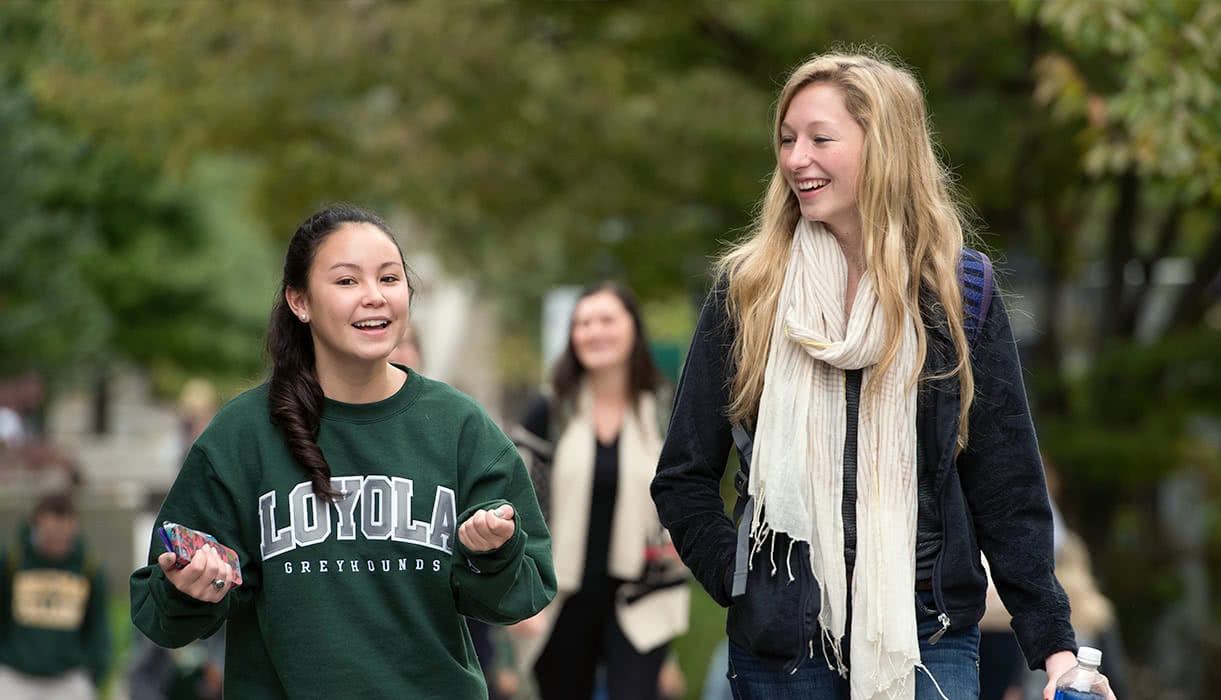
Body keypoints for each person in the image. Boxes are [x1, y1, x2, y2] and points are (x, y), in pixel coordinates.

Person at [650, 50, 1117, 700]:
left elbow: (1007, 493)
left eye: (819, 138)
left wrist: (1058, 652)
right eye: (786, 139)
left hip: (927, 646)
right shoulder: (749, 291)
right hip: (781, 652)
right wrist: (745, 586)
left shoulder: (960, 295)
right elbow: (682, 477)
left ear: (884, 146)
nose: (794, 159)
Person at [129, 204, 556, 699]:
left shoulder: (460, 427)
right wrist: (189, 591)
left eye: (390, 278)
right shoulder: (241, 435)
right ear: (299, 300)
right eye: (347, 281)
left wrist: (491, 554)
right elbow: (161, 617)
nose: (374, 297)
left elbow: (525, 589)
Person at [512, 282, 689, 700]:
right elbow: (518, 504)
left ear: (633, 328)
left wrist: (684, 537)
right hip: (562, 599)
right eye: (583, 323)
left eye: (606, 320)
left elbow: (687, 489)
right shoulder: (551, 411)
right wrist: (518, 596)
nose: (594, 332)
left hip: (642, 595)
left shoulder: (666, 410)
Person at [0, 491, 111, 699]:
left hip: (68, 678)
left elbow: (98, 626)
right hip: (14, 677)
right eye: (50, 533)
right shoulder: (12, 561)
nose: (57, 540)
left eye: (64, 534)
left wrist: (95, 671)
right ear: (37, 525)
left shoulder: (89, 568)